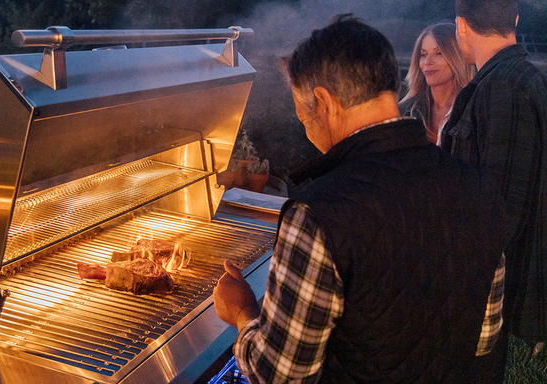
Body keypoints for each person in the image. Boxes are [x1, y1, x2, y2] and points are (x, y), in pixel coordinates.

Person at [214, 15, 508, 383]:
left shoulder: (317, 215)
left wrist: (243, 311)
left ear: (324, 101)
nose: (304, 124)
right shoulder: (479, 186)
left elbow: (279, 374)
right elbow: (484, 337)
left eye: (301, 109)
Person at [440, 0, 547, 381]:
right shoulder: (507, 79)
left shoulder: (506, 87)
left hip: (489, 289)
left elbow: (499, 211)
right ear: (515, 21)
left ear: (461, 26)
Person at [399, 22, 475, 144]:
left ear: (457, 57)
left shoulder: (474, 109)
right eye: (423, 55)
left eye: (438, 53)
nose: (427, 62)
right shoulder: (405, 111)